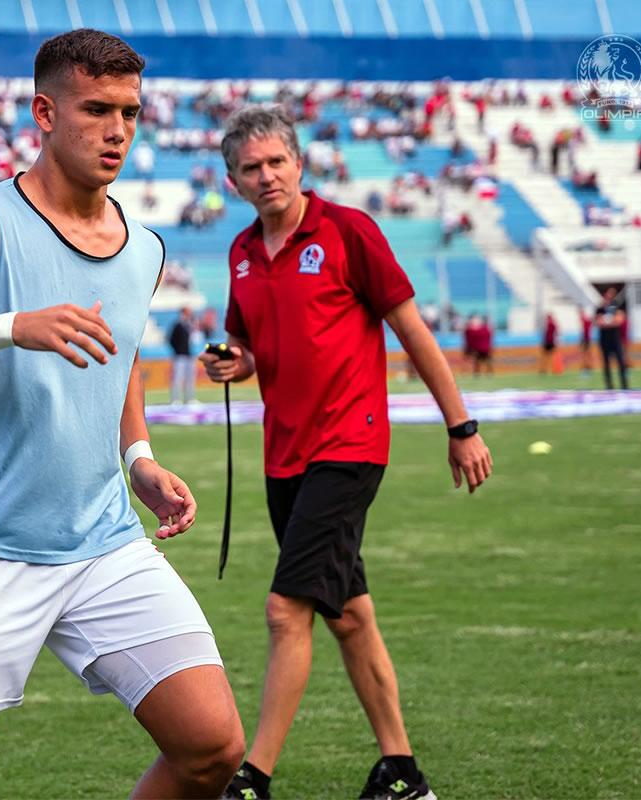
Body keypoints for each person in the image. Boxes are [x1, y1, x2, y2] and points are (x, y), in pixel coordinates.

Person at [0, 30, 243, 800]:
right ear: (44, 113)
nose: (117, 130)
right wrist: (10, 326)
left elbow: (118, 359)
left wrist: (138, 460)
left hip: (103, 543)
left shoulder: (144, 248)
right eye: (96, 109)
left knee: (212, 748)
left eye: (130, 113)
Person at [200, 106, 492, 800]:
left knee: (285, 610)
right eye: (251, 168)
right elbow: (247, 347)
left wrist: (461, 426)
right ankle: (402, 773)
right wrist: (232, 361)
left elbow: (412, 330)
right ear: (233, 182)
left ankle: (253, 779)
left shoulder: (348, 231)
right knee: (349, 614)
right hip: (284, 457)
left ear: (300, 164)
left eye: (277, 161)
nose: (267, 176)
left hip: (348, 447)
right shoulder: (241, 253)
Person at [596, 286, 629, 390]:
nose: (610, 296)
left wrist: (607, 321)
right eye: (609, 294)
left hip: (615, 339)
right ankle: (609, 386)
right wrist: (610, 321)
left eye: (613, 294)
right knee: (606, 364)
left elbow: (619, 321)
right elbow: (598, 322)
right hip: (604, 340)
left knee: (621, 362)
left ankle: (624, 385)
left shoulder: (617, 307)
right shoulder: (600, 308)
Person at [168, 307, 197, 405]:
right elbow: (171, 340)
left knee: (190, 378)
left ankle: (190, 398)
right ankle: (175, 399)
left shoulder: (189, 325)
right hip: (179, 356)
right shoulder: (177, 325)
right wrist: (177, 349)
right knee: (177, 378)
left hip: (188, 355)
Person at [578, 305, 593, 373]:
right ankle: (586, 366)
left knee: (585, 353)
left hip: (586, 339)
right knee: (585, 353)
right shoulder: (585, 321)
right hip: (585, 339)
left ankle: (587, 366)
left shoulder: (585, 320)